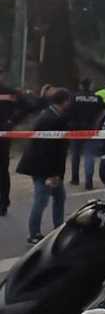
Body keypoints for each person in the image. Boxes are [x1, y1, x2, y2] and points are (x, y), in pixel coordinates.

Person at [16, 88, 71, 244]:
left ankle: (58, 229)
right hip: (43, 167)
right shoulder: (51, 119)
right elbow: (47, 149)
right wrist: (51, 174)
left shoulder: (51, 115)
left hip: (44, 166)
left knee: (59, 197)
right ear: (65, 101)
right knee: (41, 200)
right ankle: (34, 233)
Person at [0, 68, 37, 216]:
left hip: (3, 136)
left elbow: (29, 106)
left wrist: (12, 121)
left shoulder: (9, 92)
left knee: (2, 169)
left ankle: (3, 202)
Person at [67, 80, 105, 189]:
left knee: (75, 155)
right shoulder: (97, 98)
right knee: (89, 156)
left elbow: (69, 111)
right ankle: (89, 182)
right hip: (91, 129)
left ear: (80, 86)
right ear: (91, 85)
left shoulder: (74, 97)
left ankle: (75, 179)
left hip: (76, 130)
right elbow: (102, 111)